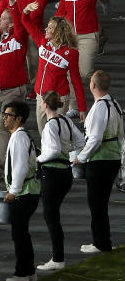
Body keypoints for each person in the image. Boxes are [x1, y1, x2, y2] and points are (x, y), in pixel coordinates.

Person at [74, 70, 123, 253]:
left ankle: (100, 243)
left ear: (92, 86)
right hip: (113, 157)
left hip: (101, 160)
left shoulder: (101, 107)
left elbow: (95, 138)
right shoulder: (114, 103)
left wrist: (81, 157)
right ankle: (103, 241)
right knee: (100, 203)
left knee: (96, 204)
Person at [36, 91, 85, 271]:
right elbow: (80, 142)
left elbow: (54, 151)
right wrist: (73, 157)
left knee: (51, 216)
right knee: (53, 215)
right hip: (66, 172)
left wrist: (38, 159)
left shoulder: (50, 126)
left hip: (53, 174)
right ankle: (58, 256)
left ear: (44, 105)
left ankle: (58, 257)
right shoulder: (66, 120)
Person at [0, 5, 29, 175]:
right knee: (5, 130)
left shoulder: (18, 38)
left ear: (11, 23)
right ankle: (16, 164)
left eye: (3, 18)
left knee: (3, 129)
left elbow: (21, 26)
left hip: (13, 91)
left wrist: (15, 6)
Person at [0, 100, 40, 281]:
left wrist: (13, 191)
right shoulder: (19, 136)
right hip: (26, 191)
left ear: (19, 119)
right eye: (4, 115)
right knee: (21, 233)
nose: (4, 118)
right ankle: (28, 272)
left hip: (24, 192)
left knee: (19, 234)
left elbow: (21, 167)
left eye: (8, 115)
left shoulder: (19, 138)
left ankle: (22, 273)